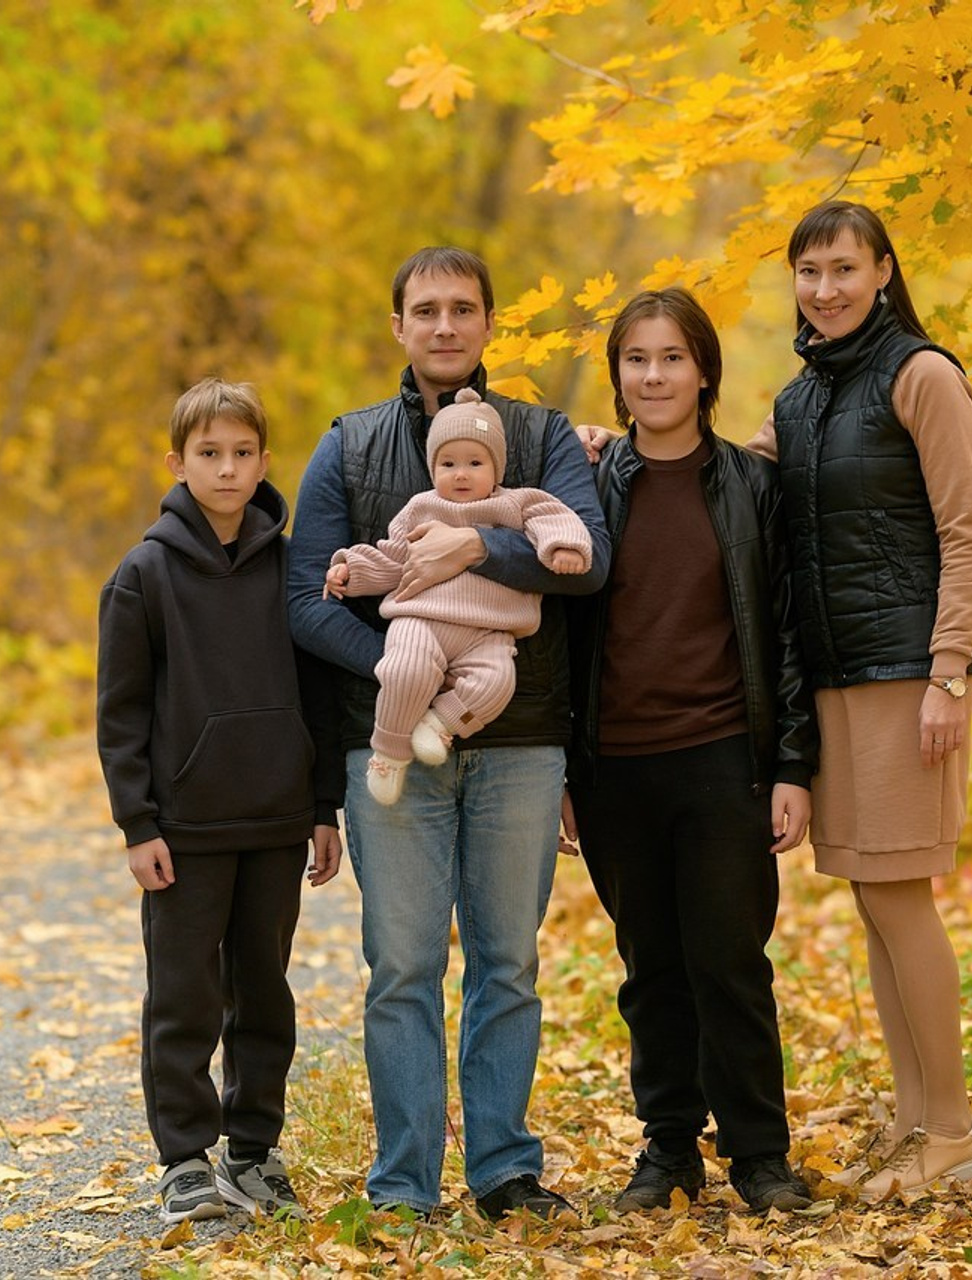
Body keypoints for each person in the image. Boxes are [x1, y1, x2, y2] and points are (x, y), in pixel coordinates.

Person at [287, 247, 609, 1220]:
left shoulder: (541, 436)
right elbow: (306, 599)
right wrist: (406, 675)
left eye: (462, 308)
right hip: (387, 737)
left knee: (508, 963)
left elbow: (590, 561)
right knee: (403, 970)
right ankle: (404, 1184)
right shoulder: (348, 446)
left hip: (521, 740)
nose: (443, 325)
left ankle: (505, 1171)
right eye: (424, 309)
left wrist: (481, 544)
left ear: (488, 323)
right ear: (398, 326)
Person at [753, 199, 972, 1198]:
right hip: (835, 680)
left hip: (907, 677)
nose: (825, 289)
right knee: (872, 898)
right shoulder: (799, 399)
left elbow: (966, 533)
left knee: (902, 895)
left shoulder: (921, 375)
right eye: (808, 271)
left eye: (844, 268)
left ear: (884, 271)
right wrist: (624, 442)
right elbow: (733, 482)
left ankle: (956, 1128)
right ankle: (913, 1120)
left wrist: (948, 673)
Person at [560, 288, 819, 1215]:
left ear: (704, 370)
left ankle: (760, 1155)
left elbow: (788, 634)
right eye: (637, 359)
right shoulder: (587, 486)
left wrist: (792, 766)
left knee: (730, 962)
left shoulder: (752, 486)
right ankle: (668, 1149)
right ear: (617, 376)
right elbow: (556, 637)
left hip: (722, 759)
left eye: (673, 357)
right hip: (615, 767)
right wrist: (563, 769)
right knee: (651, 970)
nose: (655, 375)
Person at [96, 377, 344, 1225]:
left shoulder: (293, 566)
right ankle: (185, 1161)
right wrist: (138, 823)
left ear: (265, 462)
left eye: (242, 453)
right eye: (210, 453)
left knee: (265, 993)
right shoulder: (144, 574)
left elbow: (320, 691)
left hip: (277, 820)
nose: (228, 469)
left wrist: (323, 806)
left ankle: (252, 1152)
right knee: (184, 997)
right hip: (186, 830)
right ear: (178, 463)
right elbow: (121, 712)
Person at [324, 387, 592, 805]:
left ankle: (438, 725)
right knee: (404, 670)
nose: (461, 474)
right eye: (448, 464)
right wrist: (351, 571)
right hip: (422, 620)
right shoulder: (420, 508)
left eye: (474, 463)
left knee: (497, 683)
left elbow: (554, 516)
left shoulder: (514, 504)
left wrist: (564, 547)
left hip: (489, 631)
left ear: (496, 466)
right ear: (433, 468)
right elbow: (394, 558)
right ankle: (389, 752)